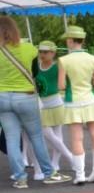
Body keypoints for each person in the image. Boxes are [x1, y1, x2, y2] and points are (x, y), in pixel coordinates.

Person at [0, 17, 70, 188]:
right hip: (26, 96)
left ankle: (20, 178)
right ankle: (49, 173)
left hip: (2, 98)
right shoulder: (29, 48)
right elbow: (35, 72)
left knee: (11, 138)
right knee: (36, 136)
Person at [58, 25, 94, 185]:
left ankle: (80, 175)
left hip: (73, 103)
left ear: (71, 41)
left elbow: (61, 86)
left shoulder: (64, 60)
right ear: (82, 40)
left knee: (77, 139)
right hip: (90, 100)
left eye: (67, 40)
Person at [33, 40, 74, 175]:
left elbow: (67, 83)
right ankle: (70, 156)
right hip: (42, 104)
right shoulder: (36, 66)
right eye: (40, 51)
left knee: (57, 134)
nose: (42, 54)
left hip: (56, 103)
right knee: (47, 133)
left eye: (45, 52)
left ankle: (55, 163)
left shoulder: (57, 67)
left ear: (53, 53)